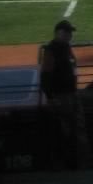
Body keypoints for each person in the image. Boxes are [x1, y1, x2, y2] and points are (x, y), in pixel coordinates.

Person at [39, 18, 83, 168]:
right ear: (58, 33)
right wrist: (51, 97)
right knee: (64, 130)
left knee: (74, 129)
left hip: (71, 93)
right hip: (61, 96)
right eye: (67, 32)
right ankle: (66, 162)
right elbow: (45, 75)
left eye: (70, 32)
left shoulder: (66, 47)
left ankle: (76, 161)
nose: (70, 35)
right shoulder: (51, 50)